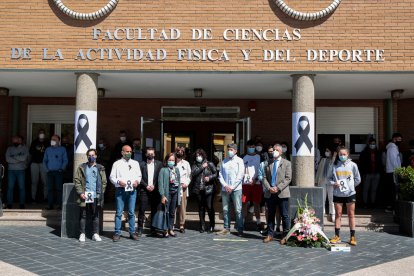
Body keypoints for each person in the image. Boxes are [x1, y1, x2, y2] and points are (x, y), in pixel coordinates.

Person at [329, 147, 361, 246]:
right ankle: (337, 236)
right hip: (337, 193)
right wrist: (334, 183)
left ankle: (352, 237)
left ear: (348, 155)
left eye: (344, 154)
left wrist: (350, 187)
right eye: (340, 154)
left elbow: (357, 179)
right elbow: (328, 178)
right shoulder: (334, 165)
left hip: (350, 194)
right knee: (338, 214)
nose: (342, 156)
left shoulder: (353, 165)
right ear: (338, 155)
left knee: (351, 214)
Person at [74, 149, 107, 242]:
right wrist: (80, 192)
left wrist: (100, 193)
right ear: (87, 156)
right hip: (85, 195)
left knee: (95, 215)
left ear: (96, 156)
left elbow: (104, 182)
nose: (91, 157)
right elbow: (77, 181)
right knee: (83, 215)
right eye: (89, 155)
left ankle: (95, 234)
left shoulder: (100, 168)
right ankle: (82, 233)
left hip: (95, 195)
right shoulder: (82, 167)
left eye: (93, 155)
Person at [110, 145, 142, 242]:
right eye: (126, 151)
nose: (128, 153)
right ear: (122, 152)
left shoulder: (135, 163)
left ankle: (132, 232)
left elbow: (139, 175)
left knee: (132, 212)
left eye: (130, 151)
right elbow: (112, 177)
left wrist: (137, 181)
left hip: (132, 190)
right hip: (121, 190)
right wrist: (119, 182)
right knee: (119, 212)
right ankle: (117, 232)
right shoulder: (116, 163)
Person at [262, 144, 292, 243]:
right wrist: (269, 187)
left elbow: (288, 178)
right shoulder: (268, 163)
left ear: (281, 152)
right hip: (270, 193)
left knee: (284, 215)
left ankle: (285, 236)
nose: (274, 151)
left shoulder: (287, 163)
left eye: (277, 150)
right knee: (271, 214)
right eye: (273, 150)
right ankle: (270, 234)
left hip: (282, 193)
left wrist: (278, 188)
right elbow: (264, 178)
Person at [216, 143, 245, 236]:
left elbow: (240, 175)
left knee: (238, 210)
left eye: (231, 149)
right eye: (228, 149)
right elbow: (220, 174)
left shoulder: (240, 161)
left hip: (236, 189)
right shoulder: (224, 161)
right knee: (225, 209)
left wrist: (232, 187)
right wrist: (225, 186)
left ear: (236, 151)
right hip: (225, 189)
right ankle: (226, 228)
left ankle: (240, 229)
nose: (229, 151)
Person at [137, 147, 162, 236]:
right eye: (148, 154)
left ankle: (153, 229)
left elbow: (160, 177)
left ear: (154, 154)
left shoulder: (159, 164)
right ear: (146, 154)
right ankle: (140, 228)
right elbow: (139, 177)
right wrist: (146, 186)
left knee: (154, 210)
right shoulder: (141, 164)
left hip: (155, 191)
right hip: (144, 190)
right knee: (142, 210)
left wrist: (154, 186)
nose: (150, 155)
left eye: (152, 154)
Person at [191, 148, 217, 233]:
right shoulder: (194, 165)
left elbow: (216, 174)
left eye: (200, 155)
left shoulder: (210, 164)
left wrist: (209, 178)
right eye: (197, 156)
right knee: (201, 208)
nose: (198, 157)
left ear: (203, 155)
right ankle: (202, 225)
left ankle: (212, 225)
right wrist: (202, 167)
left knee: (209, 207)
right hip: (198, 189)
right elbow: (193, 174)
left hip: (209, 189)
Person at [156, 152, 182, 237]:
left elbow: (178, 182)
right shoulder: (163, 170)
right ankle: (165, 229)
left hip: (175, 193)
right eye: (169, 160)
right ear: (166, 161)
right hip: (167, 194)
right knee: (165, 212)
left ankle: (171, 228)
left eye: (173, 160)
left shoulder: (176, 170)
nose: (171, 161)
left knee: (172, 212)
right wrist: (162, 195)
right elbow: (160, 184)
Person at [242, 139, 262, 231]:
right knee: (244, 203)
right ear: (246, 147)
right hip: (245, 184)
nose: (251, 148)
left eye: (253, 147)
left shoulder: (260, 157)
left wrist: (256, 179)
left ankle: (258, 222)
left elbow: (262, 170)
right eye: (249, 147)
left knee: (256, 204)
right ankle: (242, 222)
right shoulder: (243, 157)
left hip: (256, 184)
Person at [43, 135, 68, 210]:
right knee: (50, 189)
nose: (52, 140)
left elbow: (65, 160)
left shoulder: (62, 149)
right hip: (50, 172)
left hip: (58, 172)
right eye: (52, 139)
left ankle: (59, 205)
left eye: (54, 139)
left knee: (59, 189)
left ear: (58, 141)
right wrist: (46, 169)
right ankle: (50, 205)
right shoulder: (48, 149)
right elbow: (44, 160)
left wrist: (62, 168)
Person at [5, 135, 29, 209]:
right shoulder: (9, 149)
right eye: (14, 140)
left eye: (17, 140)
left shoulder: (25, 148)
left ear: (20, 141)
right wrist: (18, 160)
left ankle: (22, 204)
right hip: (11, 171)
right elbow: (7, 159)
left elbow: (24, 158)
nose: (16, 141)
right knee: (10, 187)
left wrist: (13, 158)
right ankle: (9, 204)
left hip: (21, 170)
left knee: (22, 187)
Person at [359, 138, 382, 208]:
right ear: (368, 144)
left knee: (374, 189)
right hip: (367, 174)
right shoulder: (364, 152)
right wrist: (363, 173)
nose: (373, 145)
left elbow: (381, 163)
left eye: (374, 143)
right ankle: (365, 203)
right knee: (366, 189)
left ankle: (373, 203)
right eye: (371, 143)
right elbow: (361, 164)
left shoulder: (378, 152)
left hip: (376, 173)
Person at [315, 147, 336, 222]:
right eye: (326, 151)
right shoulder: (322, 160)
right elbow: (319, 171)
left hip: (331, 182)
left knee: (331, 199)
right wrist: (316, 181)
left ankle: (332, 213)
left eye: (328, 151)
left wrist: (334, 156)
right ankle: (322, 213)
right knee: (322, 198)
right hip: (322, 181)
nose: (326, 152)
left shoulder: (334, 160)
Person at [29, 129, 49, 203]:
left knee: (45, 182)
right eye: (40, 133)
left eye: (42, 133)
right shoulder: (34, 142)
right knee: (34, 182)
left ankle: (45, 198)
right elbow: (31, 152)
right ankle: (33, 198)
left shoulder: (47, 142)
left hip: (43, 164)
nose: (41, 134)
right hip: (34, 163)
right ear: (38, 134)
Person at [385, 132, 403, 212]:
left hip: (393, 171)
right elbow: (393, 161)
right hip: (393, 171)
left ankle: (391, 206)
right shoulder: (392, 148)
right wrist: (398, 171)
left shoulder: (394, 147)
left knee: (392, 190)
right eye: (399, 139)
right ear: (394, 139)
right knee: (392, 190)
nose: (400, 141)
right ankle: (391, 207)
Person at [175, 146, 191, 233]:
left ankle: (181, 225)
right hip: (173, 187)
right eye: (178, 151)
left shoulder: (186, 163)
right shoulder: (172, 162)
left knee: (182, 207)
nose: (180, 152)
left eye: (182, 151)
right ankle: (171, 224)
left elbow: (189, 175)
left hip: (183, 187)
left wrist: (186, 183)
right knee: (173, 206)